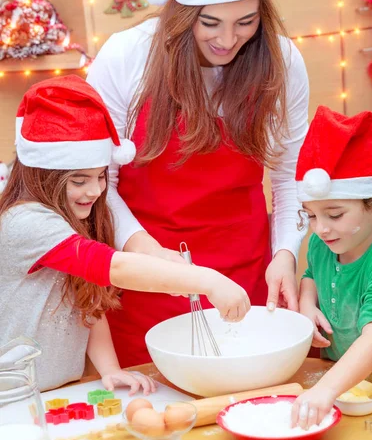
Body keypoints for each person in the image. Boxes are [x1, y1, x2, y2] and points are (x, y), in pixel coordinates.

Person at [86, 0, 310, 366]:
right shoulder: (126, 57)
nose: (228, 40)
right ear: (180, 13)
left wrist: (285, 254)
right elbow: (96, 183)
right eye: (210, 23)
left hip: (248, 277)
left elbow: (291, 176)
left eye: (245, 23)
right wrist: (144, 250)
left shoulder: (283, 61)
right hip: (148, 278)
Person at [0, 75, 250, 392]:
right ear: (43, 175)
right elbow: (115, 267)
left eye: (101, 176)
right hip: (12, 393)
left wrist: (111, 369)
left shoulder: (72, 216)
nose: (95, 190)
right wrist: (209, 280)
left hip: (57, 389)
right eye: (79, 181)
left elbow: (87, 303)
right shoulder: (25, 221)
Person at [291, 106, 372, 429]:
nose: (320, 229)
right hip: (340, 389)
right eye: (312, 215)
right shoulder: (325, 242)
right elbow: (310, 275)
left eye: (334, 214)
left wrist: (325, 391)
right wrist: (306, 303)